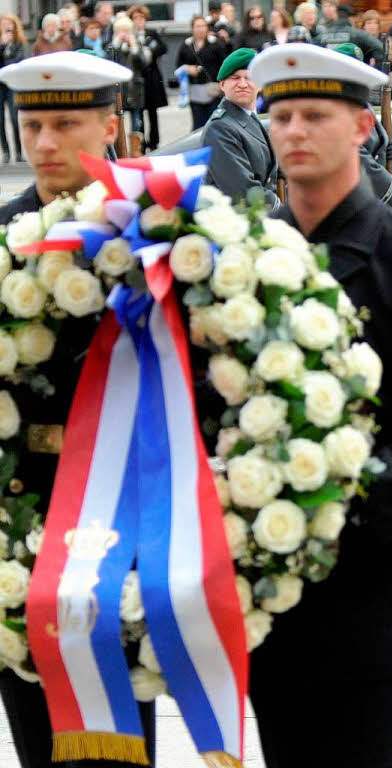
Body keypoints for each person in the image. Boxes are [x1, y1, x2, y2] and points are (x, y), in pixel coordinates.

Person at [248, 41, 392, 767]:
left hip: (374, 587)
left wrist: (338, 504)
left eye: (314, 114)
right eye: (280, 115)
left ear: (360, 127)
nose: (293, 131)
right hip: (267, 587)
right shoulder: (241, 258)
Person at [0, 52, 161, 768]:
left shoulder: (155, 233)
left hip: (125, 512)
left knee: (124, 735)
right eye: (31, 124)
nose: (44, 143)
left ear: (110, 125)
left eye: (66, 122)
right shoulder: (3, 236)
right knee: (36, 729)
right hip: (21, 510)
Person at [333, 42, 392, 211]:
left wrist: (388, 146)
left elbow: (373, 144)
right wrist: (391, 192)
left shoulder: (360, 102)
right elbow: (356, 156)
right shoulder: (337, 107)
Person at [202, 48, 279, 212]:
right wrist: (282, 210)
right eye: (235, 78)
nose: (242, 84)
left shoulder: (249, 119)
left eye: (249, 78)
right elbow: (243, 192)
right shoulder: (220, 127)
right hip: (242, 222)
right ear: (222, 85)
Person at [177, 14, 229, 129]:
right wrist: (187, 68)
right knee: (198, 124)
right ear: (192, 28)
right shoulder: (186, 45)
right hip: (194, 90)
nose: (201, 29)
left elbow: (224, 64)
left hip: (213, 90)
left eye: (203, 26)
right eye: (197, 26)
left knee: (214, 123)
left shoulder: (215, 44)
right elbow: (179, 66)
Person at [128, 5, 167, 153]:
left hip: (152, 78)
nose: (139, 21)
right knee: (139, 112)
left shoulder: (151, 33)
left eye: (141, 18)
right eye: (135, 18)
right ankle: (141, 144)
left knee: (152, 112)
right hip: (137, 78)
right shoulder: (129, 35)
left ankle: (154, 142)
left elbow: (163, 48)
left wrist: (151, 49)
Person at [105, 14, 148, 137]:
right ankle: (119, 148)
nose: (125, 34)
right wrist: (117, 45)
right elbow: (109, 61)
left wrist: (134, 48)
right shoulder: (112, 46)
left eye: (127, 31)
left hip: (134, 88)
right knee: (117, 120)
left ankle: (136, 149)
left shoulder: (136, 44)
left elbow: (143, 63)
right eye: (122, 31)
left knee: (136, 122)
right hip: (119, 90)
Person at [317, 0, 385, 63]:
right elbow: (380, 48)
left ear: (336, 16)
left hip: (329, 73)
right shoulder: (356, 34)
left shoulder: (323, 35)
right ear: (350, 18)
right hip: (351, 72)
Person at [0, 14, 25, 163]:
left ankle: (19, 151)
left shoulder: (18, 42)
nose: (6, 26)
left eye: (8, 24)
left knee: (15, 118)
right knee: (0, 119)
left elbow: (15, 61)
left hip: (11, 83)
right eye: (3, 24)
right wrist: (2, 45)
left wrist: (8, 46)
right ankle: (6, 152)